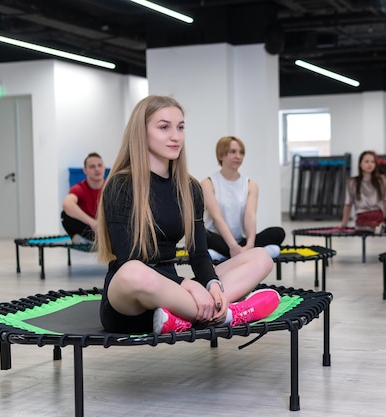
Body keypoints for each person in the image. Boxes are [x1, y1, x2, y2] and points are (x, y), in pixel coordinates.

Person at [96, 95, 279, 336]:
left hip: (174, 293)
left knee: (261, 257)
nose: (176, 136)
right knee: (133, 271)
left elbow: (199, 254)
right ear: (142, 132)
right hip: (130, 301)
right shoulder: (120, 185)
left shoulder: (190, 187)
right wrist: (187, 284)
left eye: (180, 127)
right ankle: (227, 315)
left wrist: (212, 285)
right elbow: (127, 259)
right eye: (164, 127)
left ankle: (186, 315)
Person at [201, 136, 285, 260]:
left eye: (241, 153)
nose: (238, 156)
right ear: (220, 155)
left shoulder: (251, 185)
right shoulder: (207, 183)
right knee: (201, 235)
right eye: (233, 152)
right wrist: (232, 245)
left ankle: (223, 255)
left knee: (278, 232)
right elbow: (217, 217)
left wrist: (250, 244)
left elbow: (250, 217)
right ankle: (259, 253)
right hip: (217, 238)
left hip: (240, 241)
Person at [339, 150, 386, 233]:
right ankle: (380, 227)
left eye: (373, 162)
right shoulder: (352, 182)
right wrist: (343, 224)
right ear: (360, 164)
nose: (370, 164)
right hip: (362, 217)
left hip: (378, 215)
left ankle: (383, 226)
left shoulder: (382, 180)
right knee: (365, 226)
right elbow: (348, 204)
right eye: (366, 161)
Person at [61, 152, 105, 244]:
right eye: (92, 167)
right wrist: (92, 223)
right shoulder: (80, 188)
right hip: (89, 228)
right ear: (85, 170)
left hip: (105, 228)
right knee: (65, 215)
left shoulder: (111, 187)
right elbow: (67, 204)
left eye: (99, 165)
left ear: (104, 167)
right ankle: (88, 239)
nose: (97, 169)